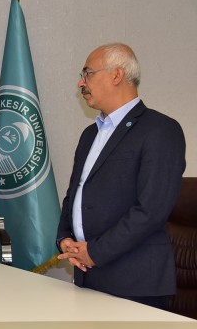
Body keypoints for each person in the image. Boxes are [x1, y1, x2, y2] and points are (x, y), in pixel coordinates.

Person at [57, 43, 186, 309]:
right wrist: (65, 238)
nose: (81, 83)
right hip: (87, 276)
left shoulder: (160, 130)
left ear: (116, 75)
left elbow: (151, 210)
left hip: (134, 282)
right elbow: (75, 195)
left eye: (87, 73)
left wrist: (95, 252)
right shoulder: (89, 135)